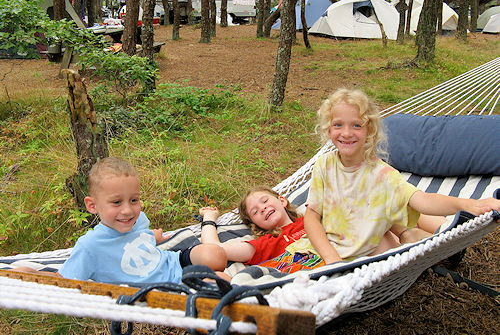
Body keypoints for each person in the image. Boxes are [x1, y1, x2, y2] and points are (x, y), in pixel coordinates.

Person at [289, 88, 500, 265]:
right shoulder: (325, 165)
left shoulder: (381, 174)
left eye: (356, 125)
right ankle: (419, 240)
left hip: (365, 253)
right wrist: (330, 258)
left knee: (393, 242)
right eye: (338, 125)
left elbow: (423, 200)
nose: (346, 133)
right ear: (328, 130)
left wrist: (470, 205)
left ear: (369, 130)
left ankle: (434, 243)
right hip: (330, 249)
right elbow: (312, 217)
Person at [14, 157, 227, 284]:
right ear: (92, 206)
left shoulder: (138, 220)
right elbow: (65, 281)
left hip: (171, 263)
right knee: (222, 281)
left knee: (216, 254)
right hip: (164, 284)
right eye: (116, 202)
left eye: (133, 200)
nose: (127, 210)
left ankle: (204, 270)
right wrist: (33, 274)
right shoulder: (90, 246)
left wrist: (153, 236)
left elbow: (138, 240)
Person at [199, 186, 324, 275]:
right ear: (256, 225)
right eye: (255, 212)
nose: (262, 208)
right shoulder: (266, 244)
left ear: (282, 201)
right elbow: (213, 248)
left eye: (265, 201)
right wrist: (209, 217)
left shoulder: (312, 218)